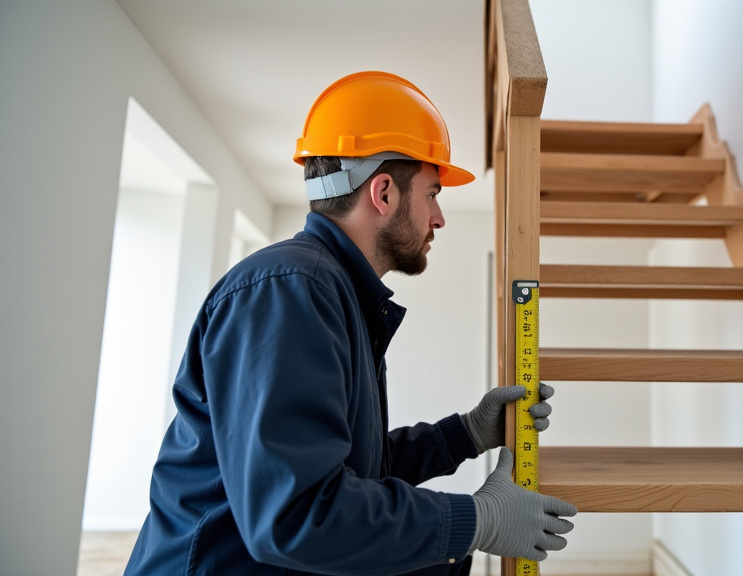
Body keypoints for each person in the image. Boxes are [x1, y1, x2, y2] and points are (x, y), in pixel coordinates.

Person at [124, 71, 577, 576]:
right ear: (383, 193)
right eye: (432, 193)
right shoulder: (291, 290)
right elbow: (299, 514)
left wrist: (463, 435)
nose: (439, 217)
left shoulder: (329, 291)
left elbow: (349, 473)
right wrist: (477, 521)